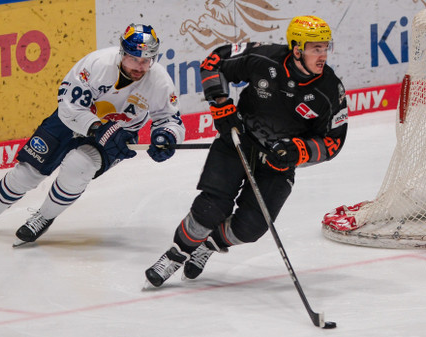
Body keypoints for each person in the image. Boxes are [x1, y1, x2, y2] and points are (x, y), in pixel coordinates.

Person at [144, 16, 348, 287]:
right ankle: (175, 254)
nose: (322, 55)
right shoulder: (265, 58)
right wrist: (221, 104)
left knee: (251, 228)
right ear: (297, 49)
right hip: (238, 141)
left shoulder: (330, 90)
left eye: (325, 48)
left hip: (278, 162)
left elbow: (333, 142)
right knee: (210, 208)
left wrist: (297, 150)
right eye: (315, 48)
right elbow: (214, 62)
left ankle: (210, 245)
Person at [0, 23, 185, 246]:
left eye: (146, 60)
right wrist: (97, 128)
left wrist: (166, 137)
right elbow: (69, 105)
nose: (140, 66)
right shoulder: (96, 64)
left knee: (78, 168)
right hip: (71, 121)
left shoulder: (159, 81)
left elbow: (169, 119)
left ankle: (43, 217)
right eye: (134, 58)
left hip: (117, 135)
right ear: (122, 52)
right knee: (28, 173)